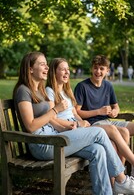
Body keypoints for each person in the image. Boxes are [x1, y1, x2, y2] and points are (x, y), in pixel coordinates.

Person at [13, 52, 134, 195]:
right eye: (42, 64)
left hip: (55, 137)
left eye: (47, 64)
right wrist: (55, 110)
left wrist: (68, 125)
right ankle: (121, 180)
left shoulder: (38, 90)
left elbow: (51, 121)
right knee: (99, 132)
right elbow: (31, 126)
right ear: (30, 69)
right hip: (43, 144)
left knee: (97, 150)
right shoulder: (23, 91)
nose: (46, 67)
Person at [74, 55, 134, 168]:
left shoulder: (108, 86)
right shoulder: (82, 86)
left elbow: (116, 106)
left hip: (108, 121)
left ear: (107, 70)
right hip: (93, 125)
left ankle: (120, 175)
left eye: (102, 68)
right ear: (91, 68)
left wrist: (115, 112)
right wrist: (98, 111)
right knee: (124, 132)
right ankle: (122, 173)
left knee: (128, 129)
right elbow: (76, 112)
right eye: (95, 68)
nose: (98, 71)